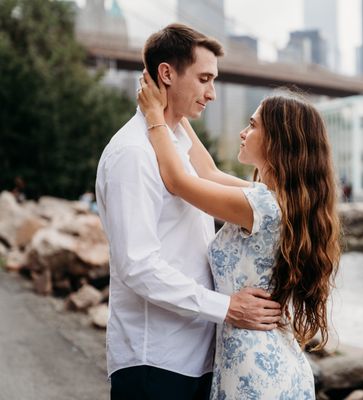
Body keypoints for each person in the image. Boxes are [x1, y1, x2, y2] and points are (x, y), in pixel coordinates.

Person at [95, 24, 282, 400]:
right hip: (155, 359)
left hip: (201, 356)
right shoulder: (133, 154)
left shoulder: (176, 144)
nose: (211, 93)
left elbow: (203, 173)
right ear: (166, 74)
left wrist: (165, 116)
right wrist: (226, 307)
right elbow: (138, 266)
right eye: (203, 79)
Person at [137, 68, 341, 397]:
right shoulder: (276, 203)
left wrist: (154, 117)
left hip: (253, 368)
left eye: (253, 125)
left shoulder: (258, 206)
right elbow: (207, 170)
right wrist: (173, 107)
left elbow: (179, 181)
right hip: (273, 361)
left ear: (277, 141)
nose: (243, 132)